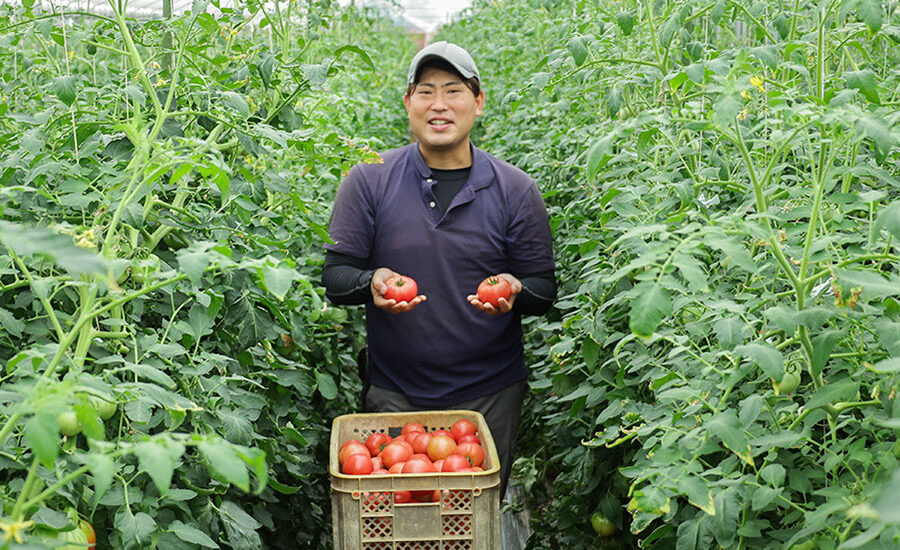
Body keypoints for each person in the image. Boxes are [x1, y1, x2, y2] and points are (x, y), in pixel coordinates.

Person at [321, 41, 556, 497]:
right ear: (408, 103)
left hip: (489, 399)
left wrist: (515, 290)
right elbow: (335, 277)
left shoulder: (515, 189)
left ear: (478, 101)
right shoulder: (368, 178)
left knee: (469, 523)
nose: (440, 105)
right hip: (394, 395)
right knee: (398, 523)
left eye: (454, 90)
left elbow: (545, 290)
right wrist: (371, 282)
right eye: (426, 91)